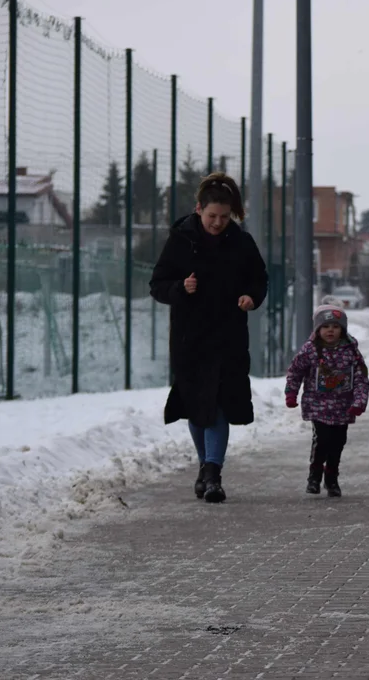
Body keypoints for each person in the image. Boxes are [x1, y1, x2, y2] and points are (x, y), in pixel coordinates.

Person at [149, 172, 268, 503]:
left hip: (228, 337)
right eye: (212, 215)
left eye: (224, 217)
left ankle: (213, 473)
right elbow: (157, 285)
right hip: (190, 338)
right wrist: (180, 288)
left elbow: (260, 279)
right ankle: (206, 467)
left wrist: (251, 298)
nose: (217, 223)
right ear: (198, 209)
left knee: (217, 404)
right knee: (196, 406)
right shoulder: (181, 240)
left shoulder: (242, 243)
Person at [285, 305, 369, 497]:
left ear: (342, 329)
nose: (330, 330)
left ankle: (331, 477)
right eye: (325, 327)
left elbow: (361, 378)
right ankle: (314, 476)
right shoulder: (310, 350)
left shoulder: (351, 351)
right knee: (322, 440)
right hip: (318, 405)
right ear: (317, 330)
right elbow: (295, 371)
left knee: (338, 442)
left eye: (335, 326)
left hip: (343, 406)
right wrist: (291, 393)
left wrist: (359, 401)